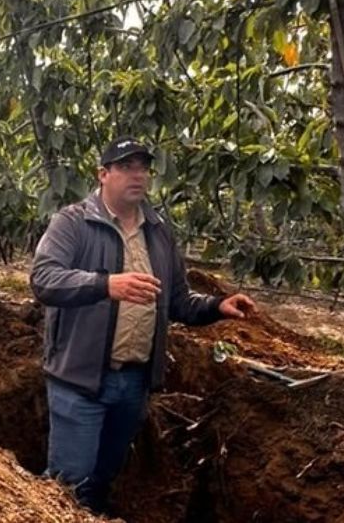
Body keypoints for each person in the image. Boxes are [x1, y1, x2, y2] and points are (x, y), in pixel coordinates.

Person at [30, 135, 257, 514]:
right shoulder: (72, 222)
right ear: (103, 174)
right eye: (125, 167)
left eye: (143, 167)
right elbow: (44, 280)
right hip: (80, 379)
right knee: (68, 483)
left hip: (133, 383)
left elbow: (179, 302)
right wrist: (106, 284)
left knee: (103, 477)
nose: (137, 175)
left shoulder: (159, 232)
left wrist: (218, 306)